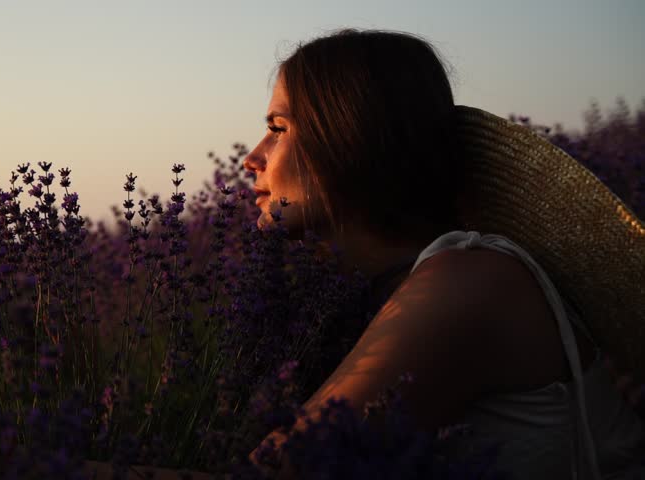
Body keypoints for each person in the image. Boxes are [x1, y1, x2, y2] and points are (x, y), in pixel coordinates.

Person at [242, 29, 645, 479]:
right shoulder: (390, 291)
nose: (251, 158)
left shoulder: (469, 280)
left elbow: (283, 471)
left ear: (346, 139)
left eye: (278, 129)